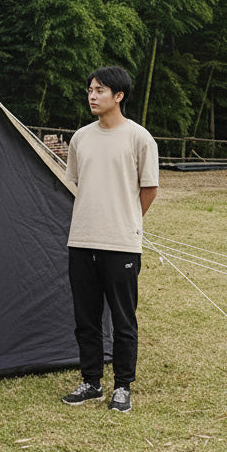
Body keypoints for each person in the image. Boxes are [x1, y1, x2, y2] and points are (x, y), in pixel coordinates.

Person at [61, 66, 159, 413]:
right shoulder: (80, 138)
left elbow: (149, 189)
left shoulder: (139, 138)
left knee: (123, 320)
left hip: (121, 245)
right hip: (81, 241)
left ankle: (122, 386)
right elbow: (77, 183)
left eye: (100, 90)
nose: (92, 96)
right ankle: (91, 382)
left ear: (119, 96)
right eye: (90, 89)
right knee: (86, 318)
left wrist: (126, 221)